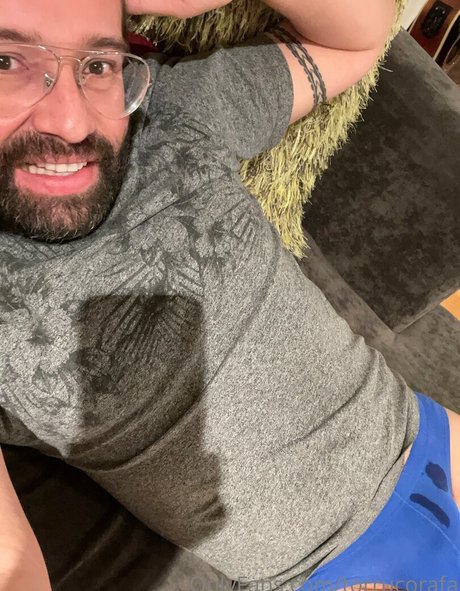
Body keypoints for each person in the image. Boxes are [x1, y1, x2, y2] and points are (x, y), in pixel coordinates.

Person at [0, 0, 459, 589]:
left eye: (98, 63)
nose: (72, 121)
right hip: (328, 572)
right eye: (7, 61)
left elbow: (361, 37)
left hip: (431, 440)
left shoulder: (170, 115)